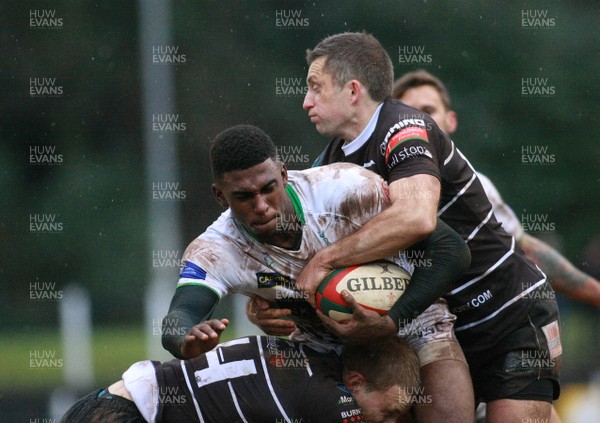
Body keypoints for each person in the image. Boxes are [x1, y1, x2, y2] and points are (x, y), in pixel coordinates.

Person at [295, 32, 561, 422]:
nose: (307, 101)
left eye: (316, 88)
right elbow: (294, 251)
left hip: (507, 314)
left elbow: (417, 216)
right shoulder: (329, 162)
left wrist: (324, 260)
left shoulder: (403, 128)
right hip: (429, 323)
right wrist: (275, 300)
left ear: (353, 91)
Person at [161, 124, 470, 417]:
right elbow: (180, 315)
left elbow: (452, 251)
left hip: (412, 320)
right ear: (220, 196)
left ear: (283, 174)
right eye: (243, 196)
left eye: (269, 189)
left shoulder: (346, 190)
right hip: (322, 349)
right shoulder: (216, 250)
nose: (261, 205)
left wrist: (390, 322)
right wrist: (184, 340)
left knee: (447, 411)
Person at [392, 69, 600, 309]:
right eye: (409, 114)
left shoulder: (477, 185)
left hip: (487, 329)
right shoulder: (376, 190)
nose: (420, 121)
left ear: (451, 121)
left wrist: (596, 294)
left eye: (429, 111)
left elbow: (525, 247)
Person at [61, 335, 420, 423]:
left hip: (112, 403)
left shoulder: (310, 358)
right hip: (124, 415)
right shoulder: (335, 402)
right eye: (387, 413)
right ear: (355, 384)